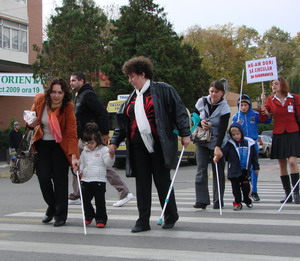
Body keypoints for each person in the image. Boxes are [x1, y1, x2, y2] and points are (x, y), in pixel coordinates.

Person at [109, 56, 191, 233]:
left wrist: (185, 133)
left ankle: (170, 215)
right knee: (142, 184)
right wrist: (114, 142)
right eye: (129, 77)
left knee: (162, 182)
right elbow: (123, 124)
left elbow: (180, 112)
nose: (130, 80)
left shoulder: (163, 90)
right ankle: (143, 220)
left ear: (142, 74)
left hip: (159, 145)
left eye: (132, 76)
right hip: (138, 148)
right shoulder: (132, 98)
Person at [69, 72, 134, 206]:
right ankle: (77, 195)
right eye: (70, 80)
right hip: (83, 138)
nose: (71, 83)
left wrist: (104, 133)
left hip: (92, 138)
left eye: (74, 80)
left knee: (103, 165)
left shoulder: (88, 95)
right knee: (76, 163)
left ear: (82, 81)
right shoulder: (79, 95)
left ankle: (124, 192)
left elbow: (102, 112)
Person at [27, 78, 79, 227]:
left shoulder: (68, 106)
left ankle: (60, 215)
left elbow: (71, 133)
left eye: (60, 92)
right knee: (43, 178)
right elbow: (30, 119)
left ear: (64, 94)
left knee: (60, 180)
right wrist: (30, 124)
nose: (56, 95)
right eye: (53, 92)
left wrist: (74, 155)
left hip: (59, 146)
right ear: (49, 92)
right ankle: (52, 205)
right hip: (42, 144)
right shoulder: (40, 100)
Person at [260, 76, 300, 204]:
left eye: (276, 83)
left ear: (282, 84)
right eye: (272, 84)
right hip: (278, 133)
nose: (274, 86)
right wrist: (263, 107)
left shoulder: (294, 98)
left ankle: (296, 192)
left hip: (292, 131)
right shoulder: (270, 100)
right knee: (282, 164)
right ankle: (287, 193)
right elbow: (263, 119)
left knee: (292, 162)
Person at [193, 81, 230, 210]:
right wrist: (200, 122)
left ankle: (218, 200)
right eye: (211, 91)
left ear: (222, 93)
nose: (213, 94)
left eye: (216, 92)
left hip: (216, 141)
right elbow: (194, 118)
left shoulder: (225, 107)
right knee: (201, 169)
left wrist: (218, 147)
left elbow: (223, 129)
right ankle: (201, 200)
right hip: (202, 140)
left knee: (218, 171)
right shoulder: (201, 102)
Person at [232, 94, 272, 201]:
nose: (243, 107)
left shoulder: (254, 114)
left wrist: (266, 113)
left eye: (245, 105)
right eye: (241, 105)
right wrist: (236, 124)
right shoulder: (236, 116)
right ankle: (245, 189)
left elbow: (267, 120)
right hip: (242, 145)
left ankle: (254, 190)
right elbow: (232, 130)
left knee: (254, 168)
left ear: (249, 105)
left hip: (253, 144)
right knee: (243, 168)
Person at [75, 122, 115, 228]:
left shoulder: (104, 150)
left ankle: (101, 219)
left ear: (97, 140)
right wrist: (79, 169)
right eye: (87, 142)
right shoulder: (85, 151)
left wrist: (111, 156)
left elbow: (108, 163)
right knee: (84, 199)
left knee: (100, 202)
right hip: (86, 180)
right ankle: (89, 215)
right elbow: (82, 163)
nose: (89, 145)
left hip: (99, 180)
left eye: (91, 142)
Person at [214, 123, 259, 210]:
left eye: (238, 134)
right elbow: (223, 152)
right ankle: (237, 203)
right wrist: (217, 156)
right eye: (233, 135)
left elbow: (254, 157)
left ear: (241, 133)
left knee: (246, 188)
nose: (236, 136)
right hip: (234, 171)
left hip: (244, 171)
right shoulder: (230, 144)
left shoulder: (249, 143)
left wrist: (256, 167)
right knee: (235, 189)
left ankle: (247, 199)